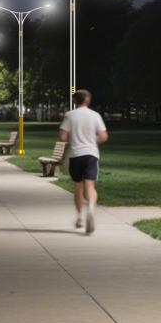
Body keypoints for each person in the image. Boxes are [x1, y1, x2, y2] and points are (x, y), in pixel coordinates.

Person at [58, 89, 108, 234]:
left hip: (75, 155)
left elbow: (62, 136)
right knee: (90, 187)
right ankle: (91, 207)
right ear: (87, 99)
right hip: (91, 154)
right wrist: (93, 142)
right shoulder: (95, 115)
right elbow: (103, 136)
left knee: (78, 187)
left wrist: (72, 139)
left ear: (75, 100)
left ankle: (80, 217)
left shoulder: (70, 115)